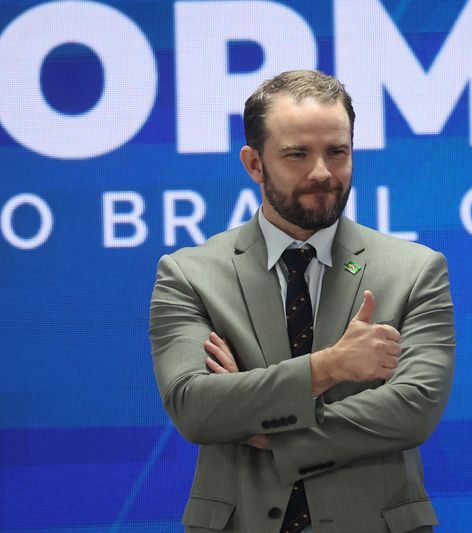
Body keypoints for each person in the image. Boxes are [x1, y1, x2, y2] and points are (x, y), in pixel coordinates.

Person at [150, 70, 455, 533]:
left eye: (337, 152)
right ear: (254, 164)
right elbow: (195, 407)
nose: (322, 173)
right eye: (298, 155)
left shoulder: (415, 271)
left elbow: (412, 410)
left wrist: (261, 427)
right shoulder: (190, 274)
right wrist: (329, 368)